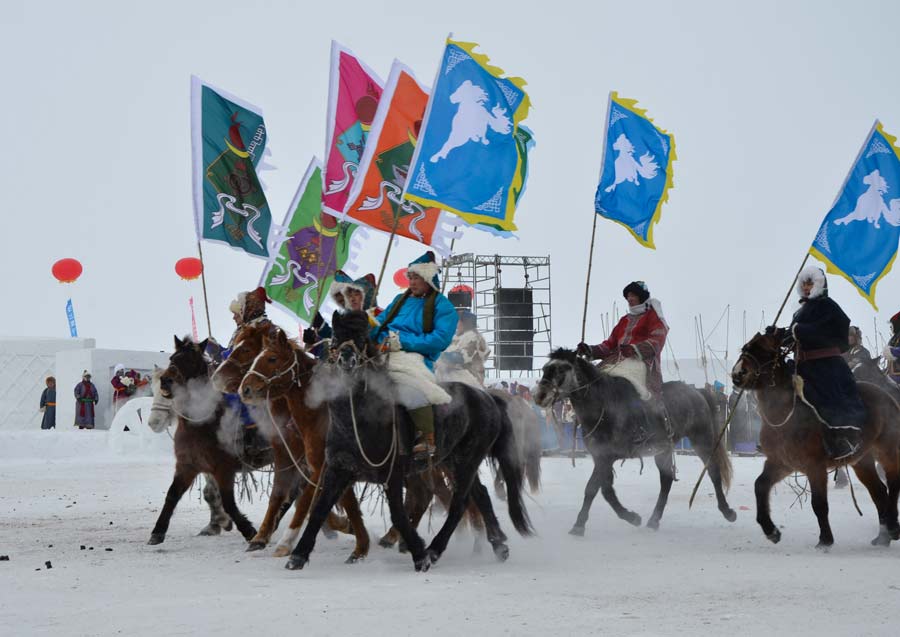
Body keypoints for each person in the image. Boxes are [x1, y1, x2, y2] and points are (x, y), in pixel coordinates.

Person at [372, 252, 458, 457]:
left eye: (416, 277)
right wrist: (368, 326)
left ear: (428, 278)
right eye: (410, 277)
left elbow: (440, 340)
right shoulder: (399, 300)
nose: (411, 282)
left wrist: (403, 342)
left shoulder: (443, 306)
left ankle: (427, 438)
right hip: (383, 352)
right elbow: (380, 323)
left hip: (415, 358)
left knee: (409, 389)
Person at [784, 266, 866, 460]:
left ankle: (843, 438)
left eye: (810, 283)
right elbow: (792, 334)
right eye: (803, 283)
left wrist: (800, 330)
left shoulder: (829, 306)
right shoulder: (801, 311)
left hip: (826, 366)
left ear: (819, 284)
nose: (806, 287)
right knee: (782, 391)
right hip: (803, 365)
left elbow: (829, 330)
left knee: (825, 399)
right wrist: (777, 335)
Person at [577, 280, 669, 412]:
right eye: (628, 296)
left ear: (641, 297)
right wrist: (591, 349)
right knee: (593, 380)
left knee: (626, 383)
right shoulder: (624, 320)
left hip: (642, 362)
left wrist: (634, 349)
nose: (629, 299)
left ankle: (644, 419)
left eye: (633, 295)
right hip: (617, 361)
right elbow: (609, 344)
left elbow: (658, 338)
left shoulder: (652, 316)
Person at [435, 310, 491, 388]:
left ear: (465, 323)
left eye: (458, 321)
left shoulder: (473, 336)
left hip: (468, 375)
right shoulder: (455, 337)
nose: (455, 324)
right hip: (450, 373)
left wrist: (440, 356)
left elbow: (463, 357)